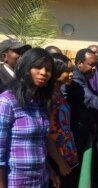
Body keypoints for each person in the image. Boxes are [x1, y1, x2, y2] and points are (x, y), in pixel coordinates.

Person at [0, 48, 58, 187]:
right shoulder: (7, 101)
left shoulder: (40, 102)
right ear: (25, 68)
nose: (43, 73)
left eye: (48, 69)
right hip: (16, 181)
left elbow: (40, 143)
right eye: (37, 67)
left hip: (40, 180)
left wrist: (51, 171)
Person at [47, 53, 79, 188]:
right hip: (57, 159)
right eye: (68, 71)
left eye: (72, 71)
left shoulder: (59, 93)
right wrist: (60, 163)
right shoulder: (49, 98)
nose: (71, 74)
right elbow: (47, 135)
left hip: (67, 154)